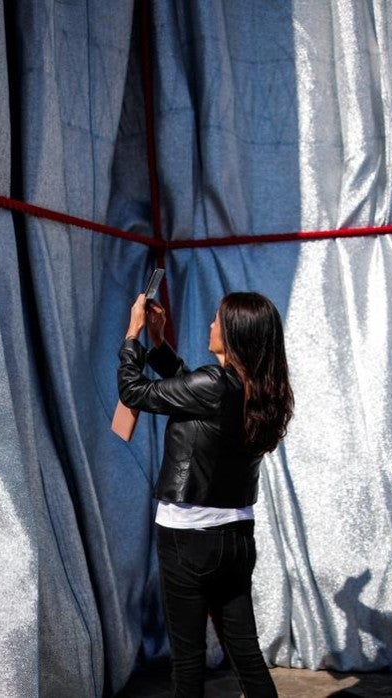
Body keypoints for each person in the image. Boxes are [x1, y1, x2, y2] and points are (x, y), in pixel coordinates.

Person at [118, 291, 294, 698]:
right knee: (245, 652)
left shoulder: (215, 384)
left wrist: (133, 335)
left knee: (188, 657)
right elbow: (188, 387)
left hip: (188, 538)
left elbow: (134, 392)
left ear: (233, 334)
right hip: (236, 536)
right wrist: (159, 343)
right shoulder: (259, 388)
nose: (211, 325)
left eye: (217, 319)